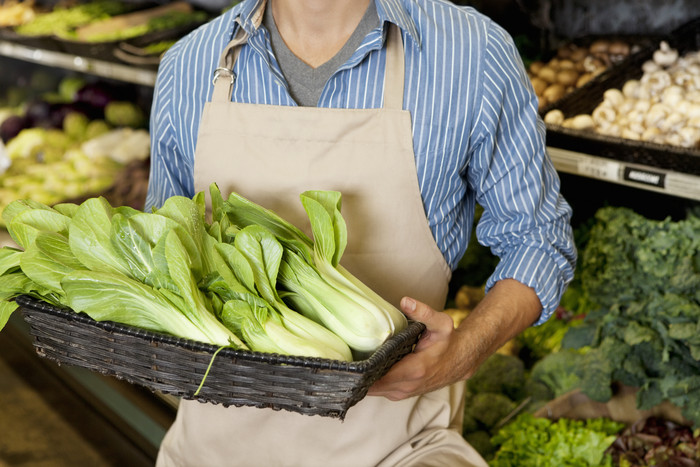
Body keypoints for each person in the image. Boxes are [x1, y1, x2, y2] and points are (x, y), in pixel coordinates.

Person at [145, 0, 577, 465]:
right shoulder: (187, 67)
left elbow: (538, 241)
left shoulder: (472, 54)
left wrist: (463, 354)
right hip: (212, 448)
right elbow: (166, 257)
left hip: (398, 447)